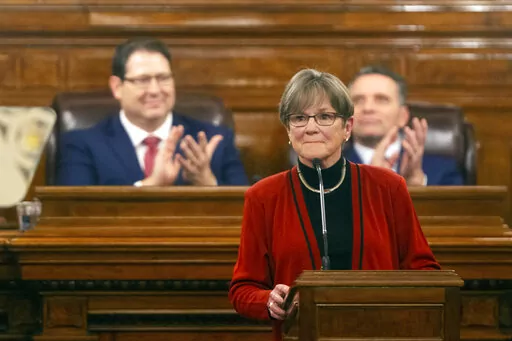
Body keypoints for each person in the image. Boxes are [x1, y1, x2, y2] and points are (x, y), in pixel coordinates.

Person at [229, 69, 440, 341]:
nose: (311, 127)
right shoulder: (263, 197)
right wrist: (268, 300)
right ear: (289, 130)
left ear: (347, 128)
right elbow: (243, 288)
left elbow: (425, 271)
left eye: (325, 117)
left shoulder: (388, 187)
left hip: (380, 333)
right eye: (299, 118)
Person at [56, 38, 248, 186]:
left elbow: (249, 214)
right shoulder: (82, 145)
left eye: (163, 78)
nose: (155, 90)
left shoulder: (214, 140)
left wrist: (208, 183)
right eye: (142, 80)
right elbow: (73, 215)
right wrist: (150, 185)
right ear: (117, 87)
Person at [345, 65, 463, 186]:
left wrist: (416, 188)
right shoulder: (328, 169)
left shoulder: (443, 171)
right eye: (358, 100)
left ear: (403, 116)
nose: (368, 108)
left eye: (381, 99)